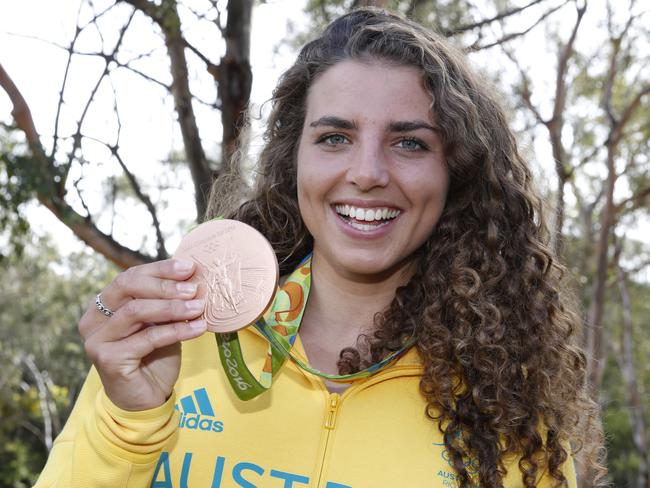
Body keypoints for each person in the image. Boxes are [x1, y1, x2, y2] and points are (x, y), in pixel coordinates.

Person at [35, 8, 605, 488]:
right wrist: (129, 423)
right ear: (293, 159)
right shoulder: (174, 341)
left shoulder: (506, 409)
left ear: (456, 173)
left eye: (409, 142)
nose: (367, 173)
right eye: (335, 138)